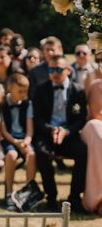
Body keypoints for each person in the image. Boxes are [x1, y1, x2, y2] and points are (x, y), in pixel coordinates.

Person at [33, 55, 88, 213]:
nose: (55, 73)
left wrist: (66, 131)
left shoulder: (78, 90)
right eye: (51, 69)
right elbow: (38, 118)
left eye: (58, 69)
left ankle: (74, 198)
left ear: (68, 70)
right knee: (41, 153)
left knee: (83, 152)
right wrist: (52, 130)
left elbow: (81, 119)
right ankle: (51, 197)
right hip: (47, 133)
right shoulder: (41, 88)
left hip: (69, 134)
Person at [0, 73, 36, 211]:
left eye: (25, 91)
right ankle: (9, 193)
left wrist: (26, 141)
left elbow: (30, 130)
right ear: (10, 89)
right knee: (11, 156)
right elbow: (3, 131)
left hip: (24, 138)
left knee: (31, 155)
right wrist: (16, 142)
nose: (23, 94)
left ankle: (28, 194)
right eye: (19, 91)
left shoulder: (28, 104)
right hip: (9, 139)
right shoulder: (2, 104)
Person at [82, 79, 102, 214]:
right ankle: (98, 199)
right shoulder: (97, 85)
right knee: (97, 132)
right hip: (97, 127)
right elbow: (97, 114)